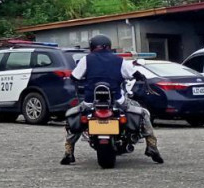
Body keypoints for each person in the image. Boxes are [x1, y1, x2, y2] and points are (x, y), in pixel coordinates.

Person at [62, 35, 163, 165]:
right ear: (109, 46)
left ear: (92, 46)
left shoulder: (86, 60)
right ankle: (152, 147)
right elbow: (135, 74)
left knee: (75, 117)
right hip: (117, 101)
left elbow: (75, 77)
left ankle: (68, 152)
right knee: (143, 113)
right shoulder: (119, 61)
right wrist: (140, 77)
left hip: (90, 101)